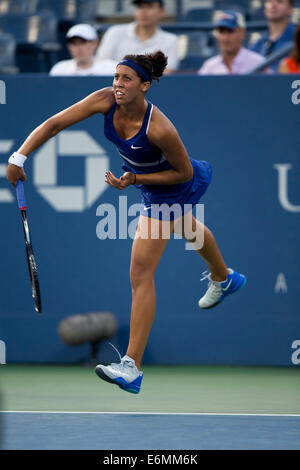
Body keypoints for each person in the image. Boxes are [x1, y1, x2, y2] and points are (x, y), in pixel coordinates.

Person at [6, 51, 246, 395]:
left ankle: (131, 367)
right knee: (187, 226)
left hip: (171, 184)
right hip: (147, 182)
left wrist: (134, 180)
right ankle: (225, 277)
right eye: (116, 77)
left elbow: (184, 172)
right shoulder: (104, 99)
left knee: (140, 273)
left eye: (126, 79)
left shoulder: (160, 127)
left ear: (145, 86)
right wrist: (19, 156)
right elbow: (55, 123)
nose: (118, 84)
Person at [96, 0, 179, 74]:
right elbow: (102, 63)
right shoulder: (115, 32)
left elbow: (167, 71)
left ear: (162, 12)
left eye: (149, 7)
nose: (143, 12)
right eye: (140, 7)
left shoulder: (171, 40)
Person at [199, 11, 266, 75]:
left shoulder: (257, 62)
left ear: (242, 33)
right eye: (222, 32)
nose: (225, 38)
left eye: (230, 31)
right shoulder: (209, 67)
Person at [49, 24, 117, 76]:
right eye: (73, 43)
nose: (78, 48)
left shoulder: (111, 69)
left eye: (82, 42)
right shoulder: (59, 70)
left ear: (95, 44)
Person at [250, 0, 296, 72]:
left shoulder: (297, 40)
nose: (273, 5)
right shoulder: (258, 44)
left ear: (290, 9)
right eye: (269, 1)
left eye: (280, 1)